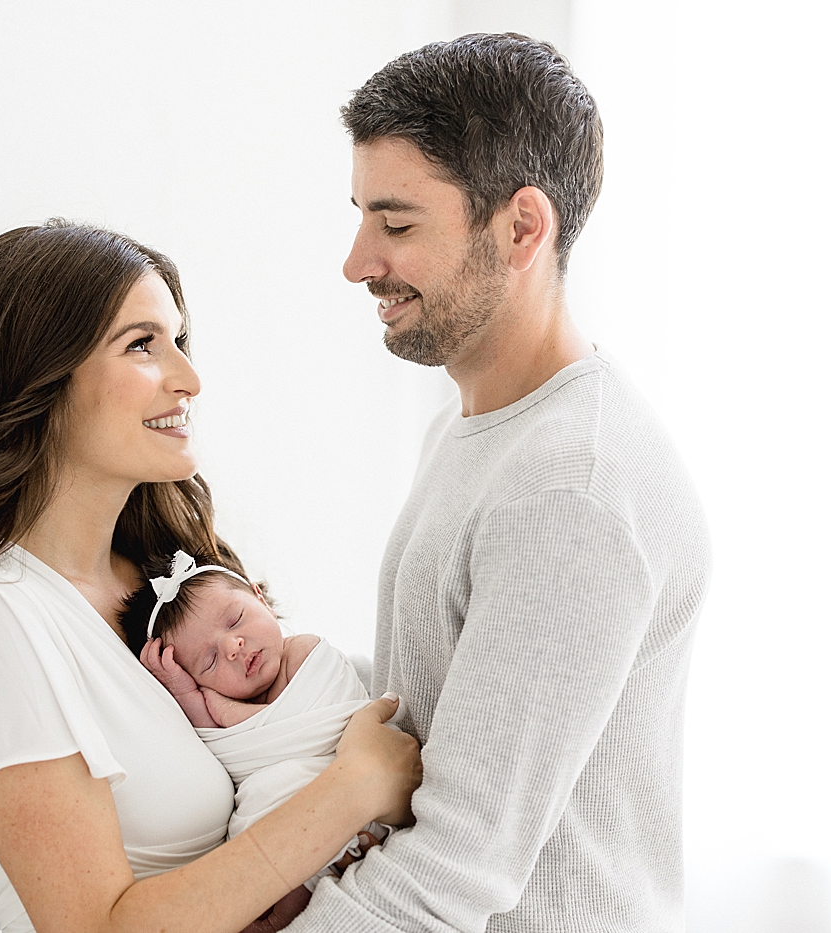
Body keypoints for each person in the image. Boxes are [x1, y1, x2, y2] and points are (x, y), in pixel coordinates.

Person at [0, 220, 422, 933]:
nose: (189, 379)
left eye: (179, 341)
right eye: (142, 344)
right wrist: (353, 788)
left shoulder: (162, 581)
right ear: (39, 378)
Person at [286, 34, 712, 932]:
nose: (357, 262)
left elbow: (453, 870)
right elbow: (454, 699)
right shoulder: (479, 423)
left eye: (396, 224)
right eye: (362, 216)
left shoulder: (572, 487)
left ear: (522, 227)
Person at [123, 549, 389, 892]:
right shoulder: (208, 705)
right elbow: (220, 739)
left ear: (259, 597)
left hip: (360, 779)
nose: (233, 646)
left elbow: (322, 719)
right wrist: (183, 690)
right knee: (264, 796)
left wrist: (220, 705)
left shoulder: (305, 652)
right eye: (209, 661)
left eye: (235, 620)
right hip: (287, 821)